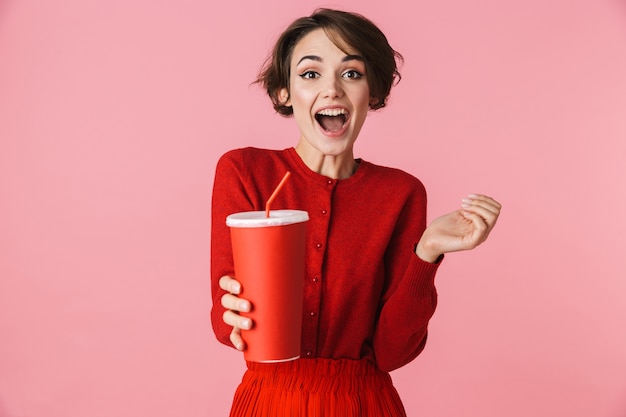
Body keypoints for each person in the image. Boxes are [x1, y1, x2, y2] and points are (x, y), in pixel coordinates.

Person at [211, 8, 501, 416]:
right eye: (310, 74)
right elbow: (226, 322)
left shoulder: (400, 193)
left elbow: (392, 352)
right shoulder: (244, 171)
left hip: (365, 403)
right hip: (270, 399)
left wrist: (429, 251)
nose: (332, 90)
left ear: (374, 92)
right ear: (284, 92)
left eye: (352, 73)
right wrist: (234, 318)